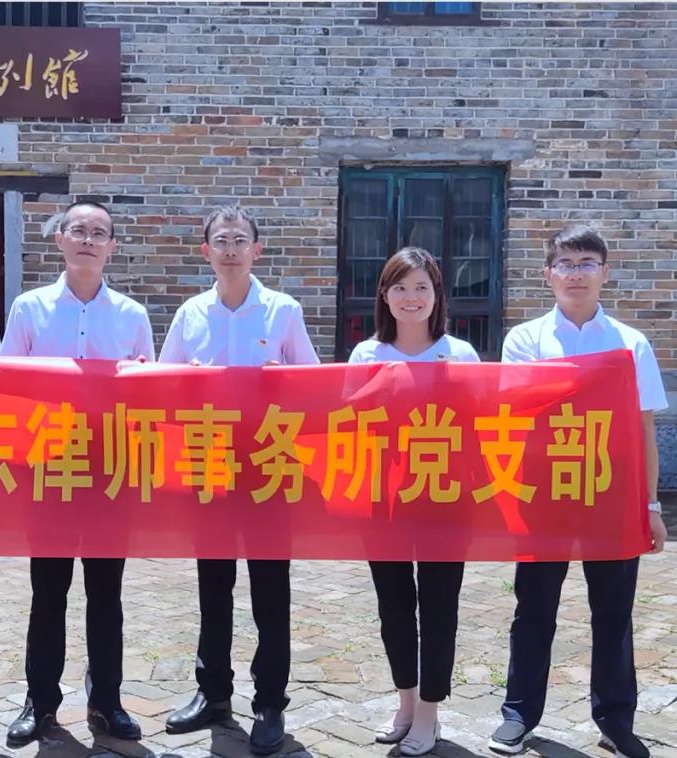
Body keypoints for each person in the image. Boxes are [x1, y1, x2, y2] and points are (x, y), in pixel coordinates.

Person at [488, 225, 667, 758]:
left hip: (613, 497)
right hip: (544, 496)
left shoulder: (631, 344)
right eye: (565, 264)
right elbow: (516, 417)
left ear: (604, 272)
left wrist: (652, 505)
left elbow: (644, 431)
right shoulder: (525, 340)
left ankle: (616, 719)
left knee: (613, 612)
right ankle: (519, 715)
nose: (576, 273)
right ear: (548, 275)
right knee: (534, 609)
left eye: (587, 263)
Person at [160, 204, 319, 756]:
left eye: (240, 240)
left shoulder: (283, 311)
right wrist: (185, 385)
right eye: (221, 241)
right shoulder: (190, 313)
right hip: (209, 462)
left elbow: (313, 385)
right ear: (206, 251)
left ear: (257, 249)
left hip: (270, 464)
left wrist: (284, 382)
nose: (231, 249)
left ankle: (270, 701)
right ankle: (213, 693)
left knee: (270, 589)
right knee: (213, 585)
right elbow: (160, 386)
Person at [2, 200, 153, 747]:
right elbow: (7, 386)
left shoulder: (132, 316)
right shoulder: (29, 309)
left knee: (106, 593)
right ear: (59, 239)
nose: (88, 239)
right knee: (48, 591)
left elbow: (149, 398)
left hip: (110, 471)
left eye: (99, 232)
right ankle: (39, 700)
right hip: (48, 470)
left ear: (112, 246)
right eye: (78, 230)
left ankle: (107, 700)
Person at [347, 247, 480, 756]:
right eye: (400, 287)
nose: (411, 297)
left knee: (440, 606)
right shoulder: (366, 355)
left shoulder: (460, 354)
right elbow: (347, 423)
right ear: (384, 295)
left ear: (437, 294)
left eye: (421, 287)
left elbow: (480, 427)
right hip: (384, 500)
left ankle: (429, 712)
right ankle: (405, 702)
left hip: (446, 498)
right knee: (394, 606)